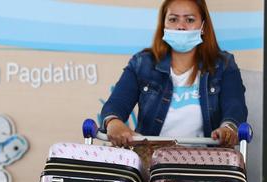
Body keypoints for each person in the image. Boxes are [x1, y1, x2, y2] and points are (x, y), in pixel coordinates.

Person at [101, 0, 247, 148]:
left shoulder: (224, 65)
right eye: (173, 19)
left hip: (206, 165)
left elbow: (235, 107)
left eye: (189, 20)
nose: (181, 27)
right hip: (152, 164)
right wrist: (114, 122)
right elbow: (116, 104)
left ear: (203, 26)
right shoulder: (142, 63)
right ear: (163, 24)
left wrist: (228, 129)